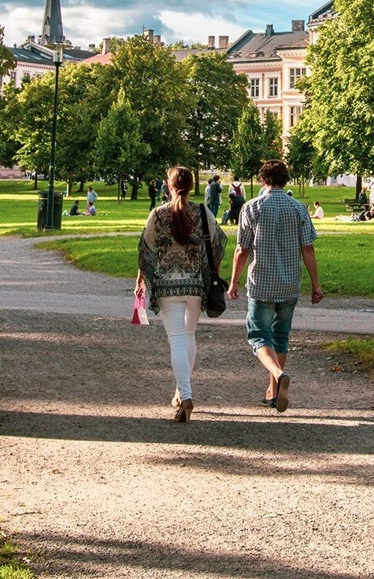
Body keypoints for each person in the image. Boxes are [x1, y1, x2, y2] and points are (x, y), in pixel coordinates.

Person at [227, 160, 322, 413]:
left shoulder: (251, 207)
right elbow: (308, 248)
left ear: (262, 180)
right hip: (289, 283)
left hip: (261, 284)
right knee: (280, 337)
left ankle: (278, 375)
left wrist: (234, 281)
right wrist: (316, 285)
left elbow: (242, 249)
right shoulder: (299, 208)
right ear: (286, 180)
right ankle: (272, 391)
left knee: (258, 336)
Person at [135, 165, 225, 423]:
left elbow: (145, 251)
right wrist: (212, 276)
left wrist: (141, 280)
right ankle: (180, 391)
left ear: (169, 185)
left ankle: (185, 395)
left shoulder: (157, 213)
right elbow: (218, 245)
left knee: (176, 340)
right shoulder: (203, 211)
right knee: (188, 336)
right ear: (192, 184)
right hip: (196, 287)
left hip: (166, 287)